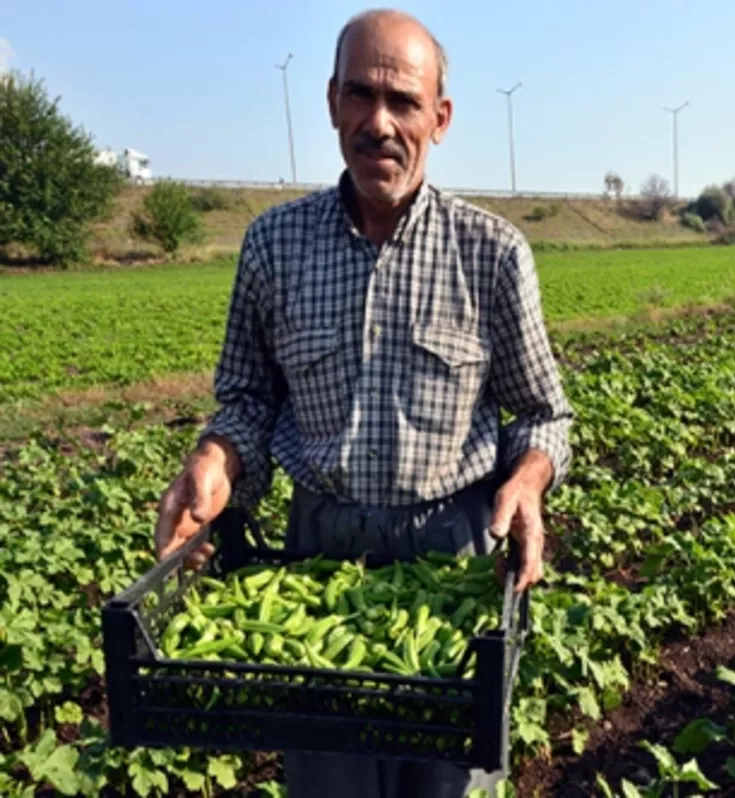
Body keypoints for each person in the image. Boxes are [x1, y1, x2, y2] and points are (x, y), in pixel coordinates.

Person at [152, 9, 573, 797]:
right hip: (318, 553)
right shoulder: (274, 245)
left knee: (452, 782)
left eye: (404, 102)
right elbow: (247, 398)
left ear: (439, 119)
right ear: (332, 102)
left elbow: (542, 412)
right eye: (360, 95)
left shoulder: (492, 253)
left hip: (451, 553)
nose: (380, 123)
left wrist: (528, 480)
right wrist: (215, 460)